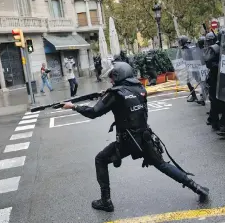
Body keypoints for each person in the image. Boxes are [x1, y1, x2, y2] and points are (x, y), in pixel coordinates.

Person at [62, 62, 209, 212]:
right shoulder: (140, 88)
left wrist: (73, 106)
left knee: (100, 159)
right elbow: (129, 104)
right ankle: (197, 188)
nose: (111, 81)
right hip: (145, 137)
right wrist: (107, 94)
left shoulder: (115, 94)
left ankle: (106, 201)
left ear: (119, 75)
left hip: (127, 141)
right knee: (163, 165)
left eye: (113, 77)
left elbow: (94, 112)